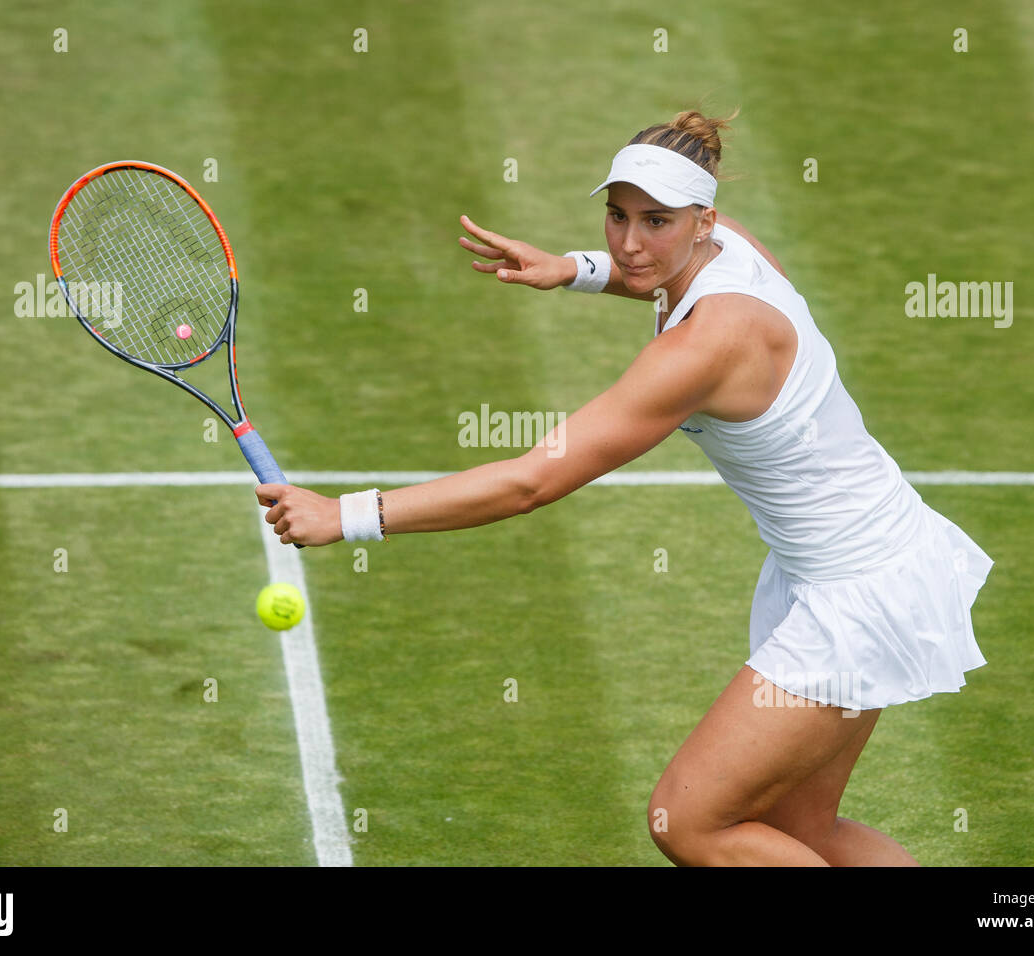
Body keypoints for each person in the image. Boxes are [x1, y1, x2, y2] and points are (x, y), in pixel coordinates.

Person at [256, 108, 995, 866]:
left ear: (702, 220)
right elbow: (651, 271)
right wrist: (571, 269)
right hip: (866, 563)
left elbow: (528, 482)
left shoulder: (706, 346)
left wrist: (345, 515)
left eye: (657, 221)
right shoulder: (730, 246)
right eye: (616, 217)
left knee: (690, 821)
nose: (631, 243)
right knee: (801, 836)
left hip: (858, 592)